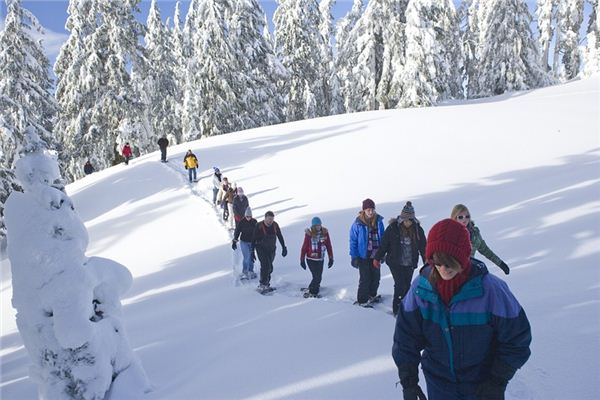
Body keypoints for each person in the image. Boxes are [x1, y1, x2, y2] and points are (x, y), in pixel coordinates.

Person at [392, 219, 531, 400]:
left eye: (450, 262)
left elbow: (517, 339)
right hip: (439, 385)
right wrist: (408, 382)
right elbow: (406, 338)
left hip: (482, 386)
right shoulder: (421, 289)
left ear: (464, 257)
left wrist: (497, 380)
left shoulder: (491, 291)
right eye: (437, 261)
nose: (443, 268)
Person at [374, 201, 426, 316]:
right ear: (401, 218)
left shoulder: (417, 229)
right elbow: (384, 245)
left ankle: (406, 308)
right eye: (405, 220)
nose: (407, 222)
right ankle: (397, 309)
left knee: (407, 285)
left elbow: (423, 247)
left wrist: (427, 261)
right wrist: (377, 258)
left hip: (410, 262)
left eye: (410, 220)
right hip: (395, 261)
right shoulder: (393, 228)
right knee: (399, 284)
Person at [451, 204, 510, 275]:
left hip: (470, 269)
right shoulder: (450, 233)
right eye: (460, 217)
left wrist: (500, 263)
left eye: (467, 216)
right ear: (454, 218)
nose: (464, 219)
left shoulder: (474, 233)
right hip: (454, 271)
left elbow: (485, 250)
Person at [349, 198, 385, 306]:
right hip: (362, 256)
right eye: (368, 209)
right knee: (365, 279)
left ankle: (371, 295)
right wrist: (354, 257)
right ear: (364, 210)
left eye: (372, 209)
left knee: (376, 278)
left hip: (375, 255)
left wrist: (383, 254)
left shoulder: (379, 222)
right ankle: (362, 300)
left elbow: (383, 238)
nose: (370, 212)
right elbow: (353, 241)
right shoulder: (357, 224)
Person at [252, 210, 287, 292]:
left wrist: (284, 247)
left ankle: (266, 284)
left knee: (270, 267)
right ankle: (262, 284)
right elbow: (253, 239)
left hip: (271, 249)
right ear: (265, 218)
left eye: (272, 219)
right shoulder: (259, 225)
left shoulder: (275, 225)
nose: (270, 221)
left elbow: (280, 236)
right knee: (265, 265)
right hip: (261, 248)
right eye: (269, 219)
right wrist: (252, 252)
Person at [300, 216, 334, 298]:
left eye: (319, 225)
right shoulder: (309, 234)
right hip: (310, 259)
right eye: (316, 226)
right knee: (317, 276)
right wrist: (302, 260)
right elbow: (304, 247)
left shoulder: (325, 233)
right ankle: (313, 292)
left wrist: (331, 258)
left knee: (319, 276)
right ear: (313, 226)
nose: (318, 227)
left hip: (320, 259)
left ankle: (312, 287)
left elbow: (328, 245)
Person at [232, 206, 258, 280]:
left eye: (249, 216)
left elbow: (258, 232)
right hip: (244, 242)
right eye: (247, 216)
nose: (248, 218)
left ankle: (251, 270)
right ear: (245, 215)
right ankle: (245, 271)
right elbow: (237, 231)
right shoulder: (242, 222)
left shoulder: (254, 222)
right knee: (247, 256)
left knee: (251, 256)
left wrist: (259, 240)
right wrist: (234, 240)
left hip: (252, 242)